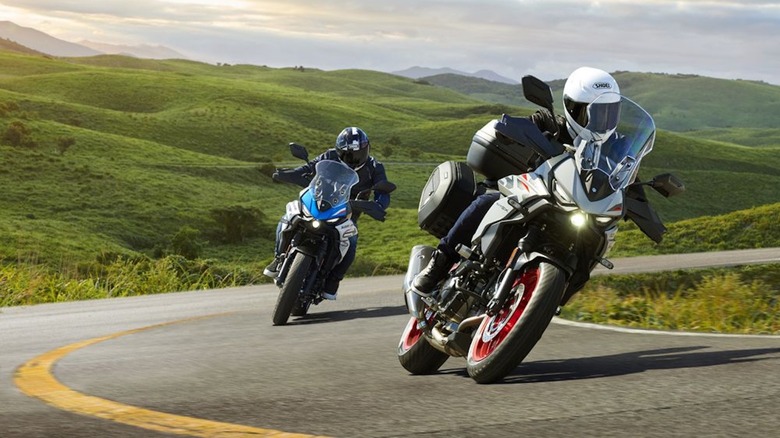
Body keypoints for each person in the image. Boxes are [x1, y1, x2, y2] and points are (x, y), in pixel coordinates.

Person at [412, 66, 621, 296]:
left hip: (571, 207)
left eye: (610, 112)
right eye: (596, 112)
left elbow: (624, 174)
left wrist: (636, 194)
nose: (603, 120)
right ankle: (438, 264)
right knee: (487, 202)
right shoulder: (551, 123)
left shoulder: (612, 149)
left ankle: (551, 296)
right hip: (529, 189)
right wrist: (514, 133)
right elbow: (521, 129)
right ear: (572, 107)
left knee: (589, 249)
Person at [264, 126, 391, 300]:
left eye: (357, 153)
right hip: (319, 203)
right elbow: (308, 168)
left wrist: (378, 205)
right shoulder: (329, 155)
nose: (353, 158)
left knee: (351, 241)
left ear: (366, 149)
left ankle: (333, 280)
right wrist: (285, 174)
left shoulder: (375, 167)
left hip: (347, 212)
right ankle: (279, 258)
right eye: (347, 154)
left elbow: (383, 191)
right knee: (289, 216)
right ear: (339, 151)